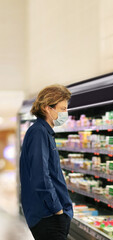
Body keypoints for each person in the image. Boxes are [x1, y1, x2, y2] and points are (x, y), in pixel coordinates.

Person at [20, 84, 73, 240]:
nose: (65, 113)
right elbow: (40, 176)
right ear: (46, 108)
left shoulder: (44, 132)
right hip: (48, 216)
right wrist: (57, 210)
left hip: (49, 215)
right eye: (62, 109)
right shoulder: (39, 132)